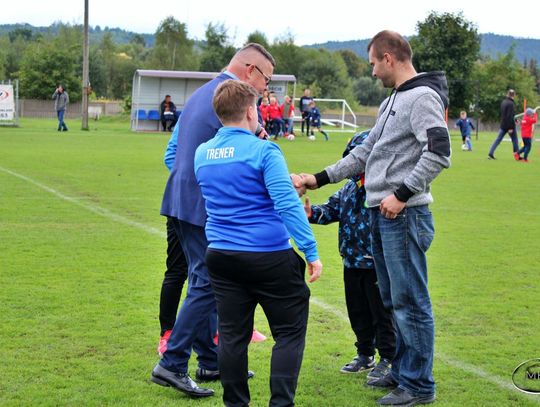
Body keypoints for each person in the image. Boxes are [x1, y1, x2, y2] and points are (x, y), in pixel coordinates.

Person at [294, 30, 451, 406]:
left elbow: (439, 151)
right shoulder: (392, 100)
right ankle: (402, 370)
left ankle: (418, 385)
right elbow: (364, 153)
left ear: (389, 59)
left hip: (404, 215)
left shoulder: (422, 97)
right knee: (393, 300)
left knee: (410, 301)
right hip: (381, 213)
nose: (373, 72)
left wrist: (402, 194)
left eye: (373, 64)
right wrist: (317, 179)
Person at [151, 43, 275, 399]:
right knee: (207, 283)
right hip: (203, 204)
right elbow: (245, 154)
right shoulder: (234, 98)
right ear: (250, 70)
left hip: (181, 199)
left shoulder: (203, 92)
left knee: (202, 281)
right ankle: (172, 362)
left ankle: (209, 360)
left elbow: (175, 151)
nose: (265, 87)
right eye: (266, 79)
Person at [195, 79, 322, 407]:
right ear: (252, 112)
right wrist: (310, 250)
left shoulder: (202, 153)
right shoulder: (264, 151)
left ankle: (235, 403)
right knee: (289, 332)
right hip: (268, 256)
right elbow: (286, 204)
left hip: (221, 254)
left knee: (232, 336)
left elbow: (233, 192)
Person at [303, 130, 396, 379]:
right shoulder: (349, 188)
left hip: (377, 263)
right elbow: (331, 210)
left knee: (382, 315)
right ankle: (365, 354)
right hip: (351, 261)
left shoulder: (384, 189)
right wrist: (311, 213)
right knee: (358, 312)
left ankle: (389, 358)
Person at [157, 122, 189, 356]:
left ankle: (222, 330)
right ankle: (167, 332)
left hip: (214, 206)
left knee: (218, 271)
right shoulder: (192, 114)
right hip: (183, 204)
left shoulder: (244, 113)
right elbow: (170, 156)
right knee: (178, 270)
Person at [488, 89, 519, 160]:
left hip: (503, 125)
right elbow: (509, 116)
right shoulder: (511, 104)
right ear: (513, 95)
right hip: (509, 125)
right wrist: (510, 127)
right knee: (515, 140)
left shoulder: (503, 102)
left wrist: (515, 119)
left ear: (508, 94)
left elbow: (508, 115)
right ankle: (517, 156)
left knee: (498, 140)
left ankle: (490, 153)